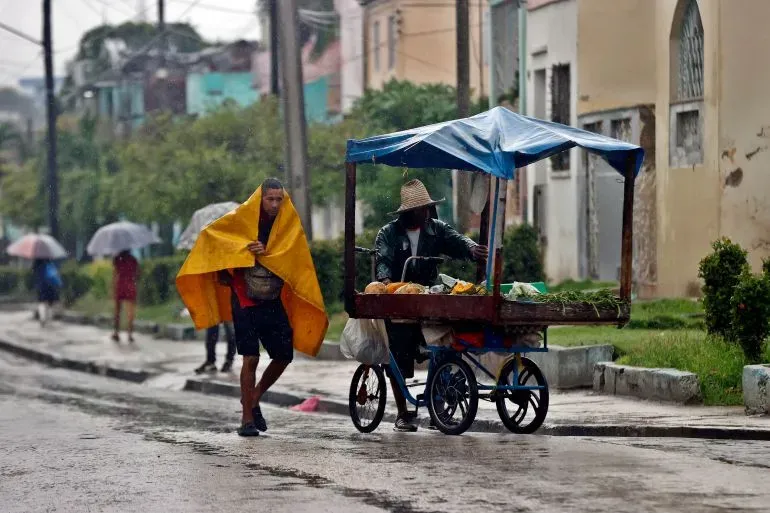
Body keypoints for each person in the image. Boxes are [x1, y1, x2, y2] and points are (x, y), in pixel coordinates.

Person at [176, 177, 328, 438]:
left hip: (272, 296)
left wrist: (267, 251)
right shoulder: (242, 220)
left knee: (284, 355)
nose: (275, 204)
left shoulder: (287, 223)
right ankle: (247, 419)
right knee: (251, 357)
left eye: (279, 199)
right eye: (270, 199)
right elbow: (213, 237)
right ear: (260, 199)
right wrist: (243, 252)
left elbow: (293, 254)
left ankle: (254, 396)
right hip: (243, 297)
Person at [374, 179, 488, 432]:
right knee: (398, 354)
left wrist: (473, 250)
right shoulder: (389, 233)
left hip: (430, 298)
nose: (425, 212)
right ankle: (403, 413)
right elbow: (383, 260)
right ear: (408, 212)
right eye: (420, 209)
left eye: (427, 208)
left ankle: (439, 407)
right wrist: (386, 282)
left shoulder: (437, 229)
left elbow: (459, 241)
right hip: (400, 302)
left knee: (443, 346)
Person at [112, 249, 139, 343]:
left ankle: (116, 333)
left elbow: (115, 274)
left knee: (117, 310)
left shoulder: (117, 259)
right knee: (130, 311)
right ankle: (130, 334)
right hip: (130, 285)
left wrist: (112, 287)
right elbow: (137, 274)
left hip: (120, 285)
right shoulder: (133, 260)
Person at [32, 258, 61, 327]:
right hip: (51, 286)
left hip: (41, 286)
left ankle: (43, 318)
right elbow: (55, 274)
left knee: (42, 302)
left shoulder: (37, 264)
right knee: (50, 304)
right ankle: (49, 320)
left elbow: (34, 274)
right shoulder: (50, 263)